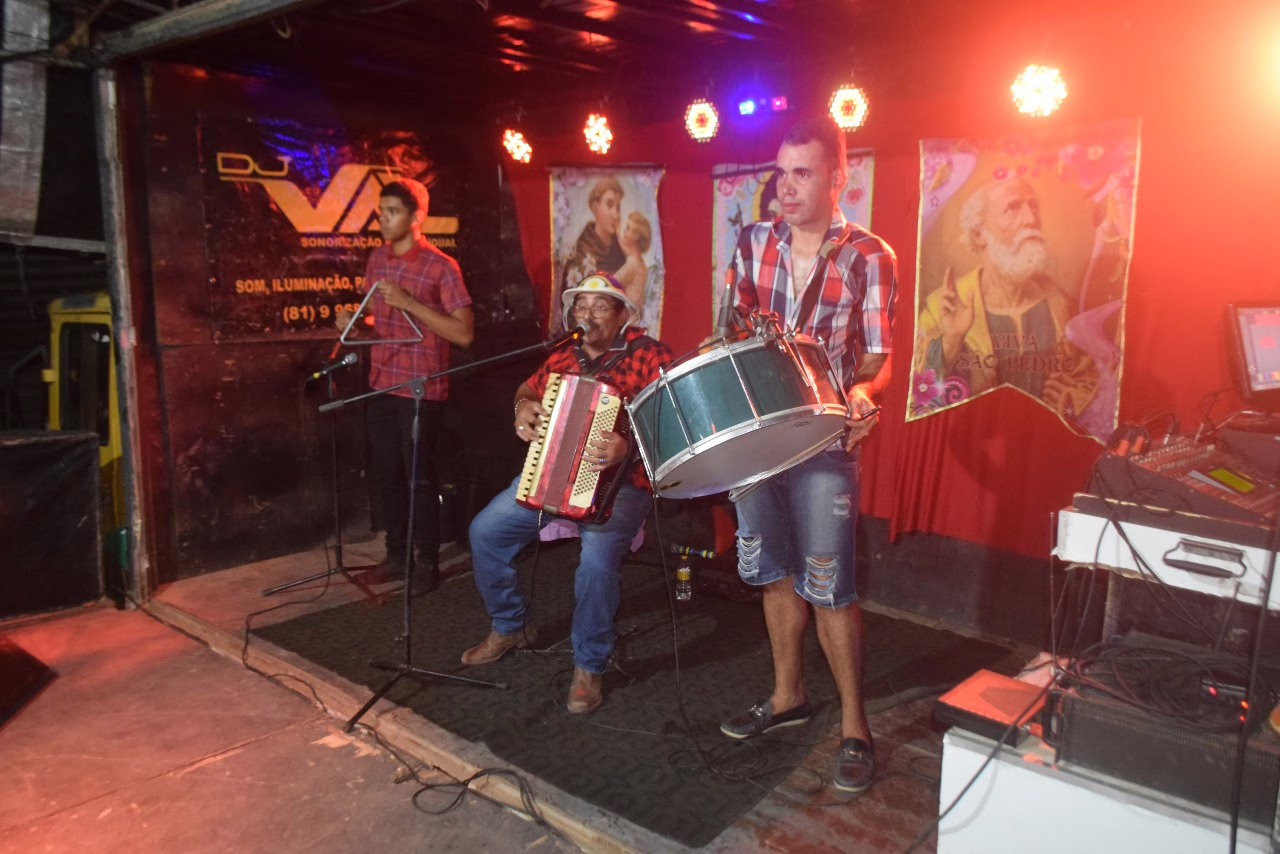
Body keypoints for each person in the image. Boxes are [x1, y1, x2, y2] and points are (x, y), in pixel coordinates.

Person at [718, 116, 896, 796]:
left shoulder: (869, 255)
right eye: (780, 173)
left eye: (802, 173)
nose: (785, 188)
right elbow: (730, 326)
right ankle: (787, 696)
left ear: (837, 178)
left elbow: (878, 355)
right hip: (756, 437)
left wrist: (863, 393)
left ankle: (855, 726)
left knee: (830, 585)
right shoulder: (751, 241)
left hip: (823, 439)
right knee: (772, 574)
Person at [461, 273, 674, 715]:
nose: (587, 315)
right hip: (552, 476)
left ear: (622, 315)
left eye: (600, 307)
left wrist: (629, 446)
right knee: (485, 532)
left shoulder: (650, 355)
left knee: (595, 564)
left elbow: (674, 421)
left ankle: (590, 663)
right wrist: (523, 407)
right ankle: (510, 625)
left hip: (621, 485)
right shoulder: (562, 354)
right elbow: (527, 389)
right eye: (581, 306)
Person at [336, 178, 474, 596]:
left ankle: (427, 562)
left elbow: (464, 334)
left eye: (393, 212)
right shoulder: (377, 258)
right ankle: (396, 555)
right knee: (387, 476)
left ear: (417, 217)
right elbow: (380, 322)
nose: (383, 219)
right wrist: (355, 325)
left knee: (419, 479)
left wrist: (410, 302)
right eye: (381, 212)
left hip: (419, 388)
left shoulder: (441, 266)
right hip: (381, 383)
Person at [912, 177, 1097, 414]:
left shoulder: (1059, 304)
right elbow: (917, 402)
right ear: (979, 234)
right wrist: (951, 342)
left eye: (1033, 206)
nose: (1031, 219)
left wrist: (1073, 399)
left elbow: (1093, 381)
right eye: (1013, 208)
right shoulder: (942, 309)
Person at [557, 176, 627, 328]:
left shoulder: (621, 254)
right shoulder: (580, 255)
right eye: (609, 205)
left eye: (618, 207)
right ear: (595, 207)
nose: (615, 215)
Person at [614, 211, 652, 312]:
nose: (624, 231)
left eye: (628, 228)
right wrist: (618, 234)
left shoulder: (633, 264)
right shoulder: (640, 262)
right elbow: (629, 253)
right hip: (636, 315)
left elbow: (612, 283)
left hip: (628, 316)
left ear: (635, 236)